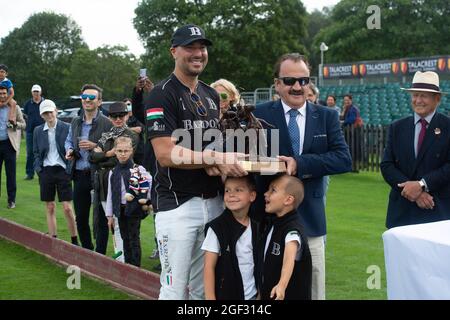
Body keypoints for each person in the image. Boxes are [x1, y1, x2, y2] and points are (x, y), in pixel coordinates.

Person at [144, 23, 247, 300]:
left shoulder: (211, 94)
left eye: (201, 47)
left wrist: (230, 160)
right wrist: (213, 158)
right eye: (190, 47)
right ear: (174, 52)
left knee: (205, 291)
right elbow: (165, 154)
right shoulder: (160, 93)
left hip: (214, 203)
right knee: (174, 290)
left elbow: (211, 148)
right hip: (177, 206)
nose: (198, 53)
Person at [253, 53, 352, 300]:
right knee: (268, 290)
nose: (297, 87)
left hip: (311, 222)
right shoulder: (259, 114)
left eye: (303, 80)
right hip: (267, 222)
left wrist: (299, 163)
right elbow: (248, 160)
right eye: (289, 80)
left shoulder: (326, 116)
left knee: (313, 290)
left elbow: (343, 159)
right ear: (276, 84)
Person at [380, 71, 450, 228]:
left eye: (424, 96)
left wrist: (422, 184)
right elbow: (387, 165)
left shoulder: (447, 127)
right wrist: (414, 192)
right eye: (415, 95)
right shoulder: (397, 127)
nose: (418, 100)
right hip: (402, 212)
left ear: (437, 99)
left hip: (437, 210)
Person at [65, 84, 112, 250]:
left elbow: (114, 149)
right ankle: (87, 251)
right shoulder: (76, 121)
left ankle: (99, 255)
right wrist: (69, 150)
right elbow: (69, 140)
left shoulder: (107, 123)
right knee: (81, 218)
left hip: (99, 175)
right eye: (84, 97)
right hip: (79, 174)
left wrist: (95, 146)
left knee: (100, 219)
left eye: (92, 97)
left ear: (99, 102)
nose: (87, 100)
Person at [90, 101, 138, 255]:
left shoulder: (131, 135)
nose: (118, 119)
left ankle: (124, 260)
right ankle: (119, 258)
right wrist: (109, 153)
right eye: (114, 116)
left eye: (121, 115)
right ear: (109, 117)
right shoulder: (106, 135)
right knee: (109, 222)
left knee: (120, 225)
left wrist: (102, 155)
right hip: (104, 183)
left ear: (127, 115)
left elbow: (122, 159)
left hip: (123, 181)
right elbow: (92, 157)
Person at [202, 175, 258, 300]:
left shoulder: (257, 226)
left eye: (238, 190)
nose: (231, 194)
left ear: (252, 196)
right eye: (227, 190)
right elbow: (208, 266)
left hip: (251, 295)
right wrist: (210, 298)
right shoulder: (217, 227)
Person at [33, 99, 78, 245]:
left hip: (63, 170)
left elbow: (73, 147)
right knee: (50, 206)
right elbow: (35, 152)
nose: (48, 115)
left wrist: (70, 164)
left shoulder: (67, 127)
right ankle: (53, 239)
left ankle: (74, 240)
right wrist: (39, 169)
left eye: (50, 112)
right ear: (42, 115)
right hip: (46, 171)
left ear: (56, 111)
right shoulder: (38, 130)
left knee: (67, 208)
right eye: (45, 113)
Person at [260, 175, 312, 300]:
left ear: (288, 200)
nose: (266, 194)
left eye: (273, 190)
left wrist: (281, 285)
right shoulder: (273, 223)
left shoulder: (292, 229)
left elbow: (289, 257)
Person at [106, 136, 151, 267]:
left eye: (126, 151)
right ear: (115, 151)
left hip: (134, 209)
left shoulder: (138, 169)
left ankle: (136, 267)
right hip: (120, 209)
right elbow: (110, 195)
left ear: (131, 151)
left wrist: (147, 202)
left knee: (134, 238)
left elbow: (149, 185)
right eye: (120, 151)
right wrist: (109, 216)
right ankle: (128, 266)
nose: (123, 154)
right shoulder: (113, 172)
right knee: (125, 238)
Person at [0, 85, 26, 209]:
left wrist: (15, 124)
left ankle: (11, 200)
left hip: (9, 145)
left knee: (11, 174)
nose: (3, 96)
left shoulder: (15, 107)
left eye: (4, 93)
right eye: (0, 93)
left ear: (8, 93)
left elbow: (23, 124)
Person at [23, 84, 45, 180]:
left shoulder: (45, 103)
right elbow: (26, 115)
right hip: (30, 131)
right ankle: (29, 173)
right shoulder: (28, 104)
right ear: (32, 92)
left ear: (40, 92)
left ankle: (43, 172)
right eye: (34, 91)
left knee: (43, 152)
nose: (36, 93)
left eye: (37, 91)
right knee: (30, 153)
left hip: (43, 131)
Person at [124, 98, 145, 165]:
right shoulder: (122, 117)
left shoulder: (137, 116)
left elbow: (140, 129)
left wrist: (128, 129)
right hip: (126, 148)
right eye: (125, 105)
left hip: (139, 149)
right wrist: (132, 129)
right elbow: (120, 129)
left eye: (129, 104)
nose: (127, 106)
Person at [0, 64, 18, 130]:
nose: (0, 73)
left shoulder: (7, 81)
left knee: (13, 103)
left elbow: (12, 93)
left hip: (6, 97)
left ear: (6, 74)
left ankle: (11, 120)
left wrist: (6, 102)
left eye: (2, 72)